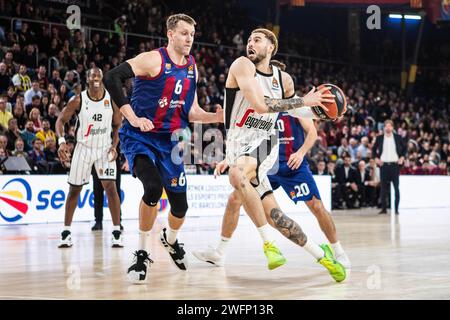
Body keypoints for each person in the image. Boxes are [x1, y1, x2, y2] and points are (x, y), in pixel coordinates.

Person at [194, 28, 345, 281]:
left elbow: (294, 113)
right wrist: (302, 102)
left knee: (237, 176)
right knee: (277, 218)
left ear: (271, 46)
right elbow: (260, 105)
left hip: (265, 143)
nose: (250, 44)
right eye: (249, 40)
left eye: (257, 40)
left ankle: (268, 245)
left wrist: (321, 113)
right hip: (237, 146)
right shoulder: (242, 66)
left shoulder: (283, 79)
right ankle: (322, 255)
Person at [103, 13, 223, 283]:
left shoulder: (192, 66)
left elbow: (190, 111)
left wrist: (214, 118)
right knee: (153, 188)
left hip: (171, 141)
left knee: (180, 207)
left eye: (192, 34)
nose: (189, 38)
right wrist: (131, 117)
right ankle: (142, 253)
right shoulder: (153, 60)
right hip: (140, 137)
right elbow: (112, 78)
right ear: (170, 34)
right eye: (183, 33)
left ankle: (169, 240)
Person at [56, 67, 123, 248]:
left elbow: (117, 126)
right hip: (83, 148)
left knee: (111, 188)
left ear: (102, 79)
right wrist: (62, 141)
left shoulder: (112, 101)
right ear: (87, 79)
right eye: (92, 75)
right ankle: (66, 232)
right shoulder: (78, 100)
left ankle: (117, 231)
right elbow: (60, 120)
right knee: (74, 190)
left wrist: (114, 146)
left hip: (104, 149)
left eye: (98, 76)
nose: (95, 78)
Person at [372, 119, 406, 214]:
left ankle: (396, 209)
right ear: (384, 127)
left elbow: (404, 149)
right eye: (386, 126)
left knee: (396, 188)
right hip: (384, 165)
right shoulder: (379, 138)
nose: (388, 127)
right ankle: (383, 209)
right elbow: (374, 149)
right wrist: (376, 158)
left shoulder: (398, 137)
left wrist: (402, 157)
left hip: (395, 165)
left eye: (389, 126)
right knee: (383, 188)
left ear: (392, 127)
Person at [91, 143, 123, 231]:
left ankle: (118, 221)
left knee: (115, 191)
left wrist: (114, 147)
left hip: (112, 158)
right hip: (97, 159)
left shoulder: (114, 131)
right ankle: (98, 221)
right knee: (97, 191)